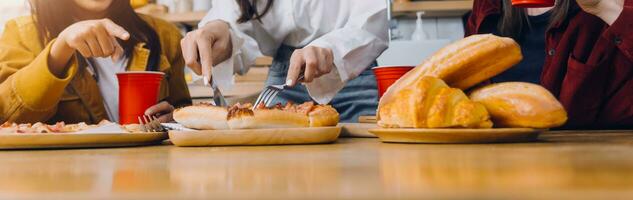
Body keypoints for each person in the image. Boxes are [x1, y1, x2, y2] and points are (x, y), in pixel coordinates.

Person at [181, 0, 389, 122]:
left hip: (353, 70)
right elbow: (235, 23)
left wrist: (331, 48)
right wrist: (220, 29)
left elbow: (373, 20)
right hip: (287, 78)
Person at [0, 0, 191, 124]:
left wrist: (175, 119)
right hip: (62, 180)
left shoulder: (165, 35)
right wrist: (62, 47)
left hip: (144, 178)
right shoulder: (21, 34)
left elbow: (185, 114)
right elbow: (7, 118)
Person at [465, 0, 632, 128]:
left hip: (599, 158)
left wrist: (605, 7)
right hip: (498, 156)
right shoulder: (488, 5)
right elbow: (467, 86)